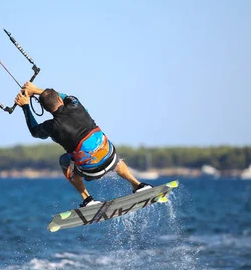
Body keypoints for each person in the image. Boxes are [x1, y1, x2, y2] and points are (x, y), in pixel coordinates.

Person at [14, 82, 152, 207]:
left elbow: (34, 131)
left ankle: (87, 199)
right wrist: (36, 90)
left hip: (90, 170)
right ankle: (138, 184)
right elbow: (66, 96)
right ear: (59, 99)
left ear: (46, 109)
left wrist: (25, 106)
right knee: (102, 148)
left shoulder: (51, 127)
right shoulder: (75, 104)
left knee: (64, 160)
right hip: (110, 159)